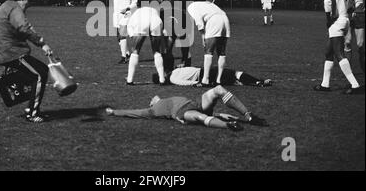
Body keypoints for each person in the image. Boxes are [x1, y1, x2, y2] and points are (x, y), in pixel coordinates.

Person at [0, 0, 53, 123]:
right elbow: (24, 28)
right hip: (13, 51)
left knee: (40, 71)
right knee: (40, 75)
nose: (26, 8)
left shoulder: (4, 7)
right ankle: (32, 113)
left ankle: (29, 105)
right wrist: (42, 44)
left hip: (5, 49)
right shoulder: (14, 7)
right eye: (27, 4)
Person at [105, 86, 268, 131]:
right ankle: (228, 126)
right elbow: (135, 113)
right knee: (200, 118)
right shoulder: (154, 110)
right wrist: (115, 112)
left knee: (218, 89)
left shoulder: (166, 99)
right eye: (151, 100)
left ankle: (248, 116)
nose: (152, 98)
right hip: (184, 113)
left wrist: (235, 117)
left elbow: (219, 112)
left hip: (195, 103)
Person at [314, 0, 364, 95]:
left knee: (339, 53)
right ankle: (325, 84)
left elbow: (327, 2)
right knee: (328, 52)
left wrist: (328, 18)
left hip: (336, 22)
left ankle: (355, 85)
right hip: (345, 20)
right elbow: (359, 0)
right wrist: (351, 10)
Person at [96, 0, 138, 64]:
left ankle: (124, 57)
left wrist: (127, 8)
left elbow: (135, 3)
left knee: (122, 34)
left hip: (127, 15)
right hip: (117, 16)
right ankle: (127, 54)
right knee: (119, 37)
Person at [187, 0, 230, 86]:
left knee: (208, 51)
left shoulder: (192, 7)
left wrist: (203, 36)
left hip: (214, 21)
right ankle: (219, 80)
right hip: (225, 19)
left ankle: (205, 80)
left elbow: (199, 21)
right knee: (221, 52)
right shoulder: (213, 6)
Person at [125, 6, 166, 85]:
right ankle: (162, 79)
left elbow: (130, 31)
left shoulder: (133, 17)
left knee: (135, 51)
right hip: (156, 21)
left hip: (141, 22)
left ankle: (129, 80)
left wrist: (135, 38)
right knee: (156, 51)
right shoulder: (154, 10)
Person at [152, 63, 273, 88]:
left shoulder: (173, 72)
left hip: (204, 73)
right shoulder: (173, 78)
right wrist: (198, 83)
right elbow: (184, 83)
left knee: (233, 78)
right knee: (234, 73)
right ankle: (258, 82)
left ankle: (255, 82)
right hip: (204, 74)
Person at [344, 0, 365, 74]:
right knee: (347, 42)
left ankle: (363, 66)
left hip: (360, 16)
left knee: (360, 44)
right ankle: (348, 71)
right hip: (348, 16)